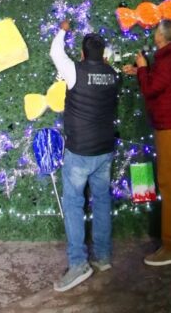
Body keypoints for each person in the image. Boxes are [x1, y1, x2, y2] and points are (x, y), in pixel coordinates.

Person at [49, 20, 119, 292]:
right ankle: (103, 256)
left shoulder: (74, 70)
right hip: (105, 150)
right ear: (102, 54)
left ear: (81, 53)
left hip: (80, 152)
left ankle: (78, 263)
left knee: (74, 205)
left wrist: (63, 29)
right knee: (102, 201)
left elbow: (56, 52)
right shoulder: (113, 74)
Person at [123, 20, 171, 266]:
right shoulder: (170, 56)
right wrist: (140, 71)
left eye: (156, 30)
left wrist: (143, 68)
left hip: (168, 125)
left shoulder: (165, 59)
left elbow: (152, 89)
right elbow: (161, 82)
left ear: (162, 36)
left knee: (168, 183)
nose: (153, 33)